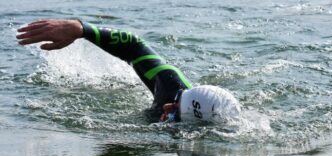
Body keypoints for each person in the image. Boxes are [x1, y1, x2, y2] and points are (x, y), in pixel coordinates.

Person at [16, 19, 241, 123]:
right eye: (177, 100)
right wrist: (82, 29)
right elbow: (134, 45)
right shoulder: (171, 85)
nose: (167, 105)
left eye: (174, 113)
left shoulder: (182, 138)